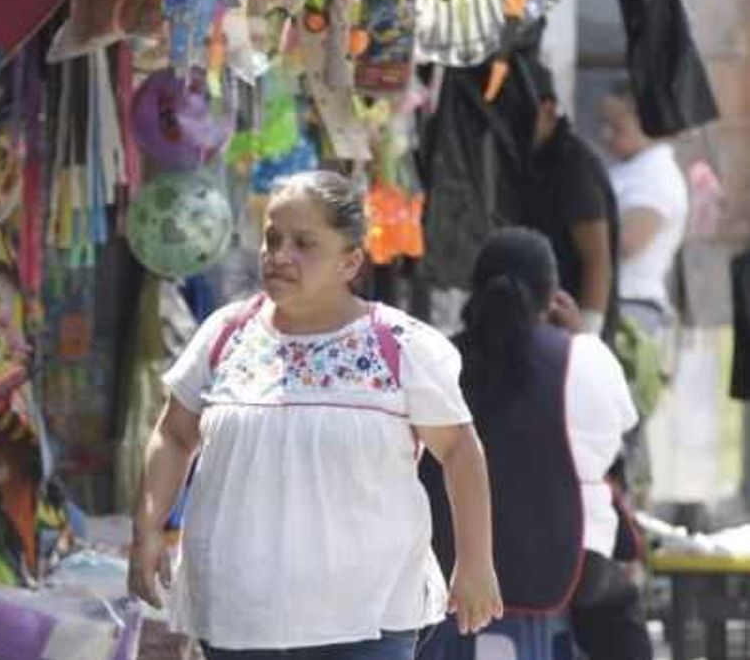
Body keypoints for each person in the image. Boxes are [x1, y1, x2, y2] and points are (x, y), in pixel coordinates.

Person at [128, 171, 502, 660]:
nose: (280, 255)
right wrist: (148, 531)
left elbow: (458, 449)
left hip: (364, 621)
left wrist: (475, 563)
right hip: (239, 618)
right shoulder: (225, 335)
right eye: (272, 238)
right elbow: (175, 435)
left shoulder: (399, 346)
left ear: (350, 262)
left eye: (304, 243)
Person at [429, 228, 651, 660]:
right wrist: (579, 335)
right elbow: (613, 436)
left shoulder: (436, 359)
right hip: (556, 567)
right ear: (551, 295)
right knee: (620, 608)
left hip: (444, 569)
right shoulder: (579, 358)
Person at [509, 61, 619, 340]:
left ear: (547, 111)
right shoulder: (527, 161)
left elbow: (597, 260)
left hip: (569, 327)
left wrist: (587, 337)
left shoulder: (572, 166)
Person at [600, 80, 689, 341]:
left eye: (617, 127)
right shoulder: (629, 168)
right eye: (603, 123)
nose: (606, 134)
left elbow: (628, 243)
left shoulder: (655, 176)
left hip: (633, 304)